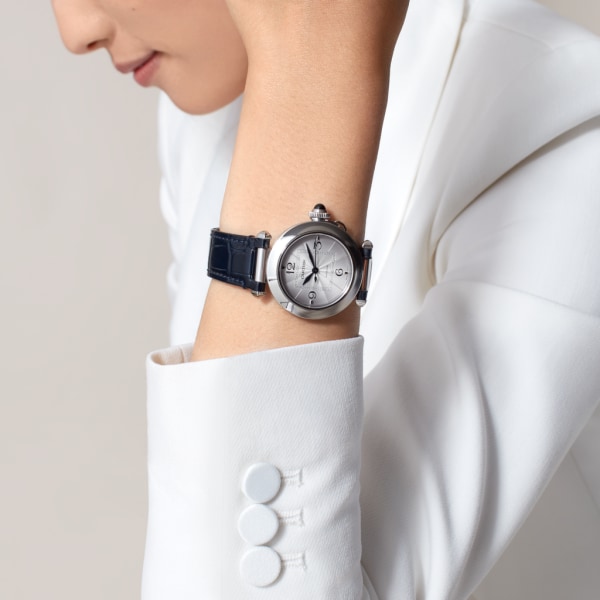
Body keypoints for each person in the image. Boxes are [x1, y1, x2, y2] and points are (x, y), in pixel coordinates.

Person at [52, 0, 600, 598]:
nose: (74, 31)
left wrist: (312, 91)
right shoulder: (205, 111)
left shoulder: (566, 129)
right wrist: (297, 87)